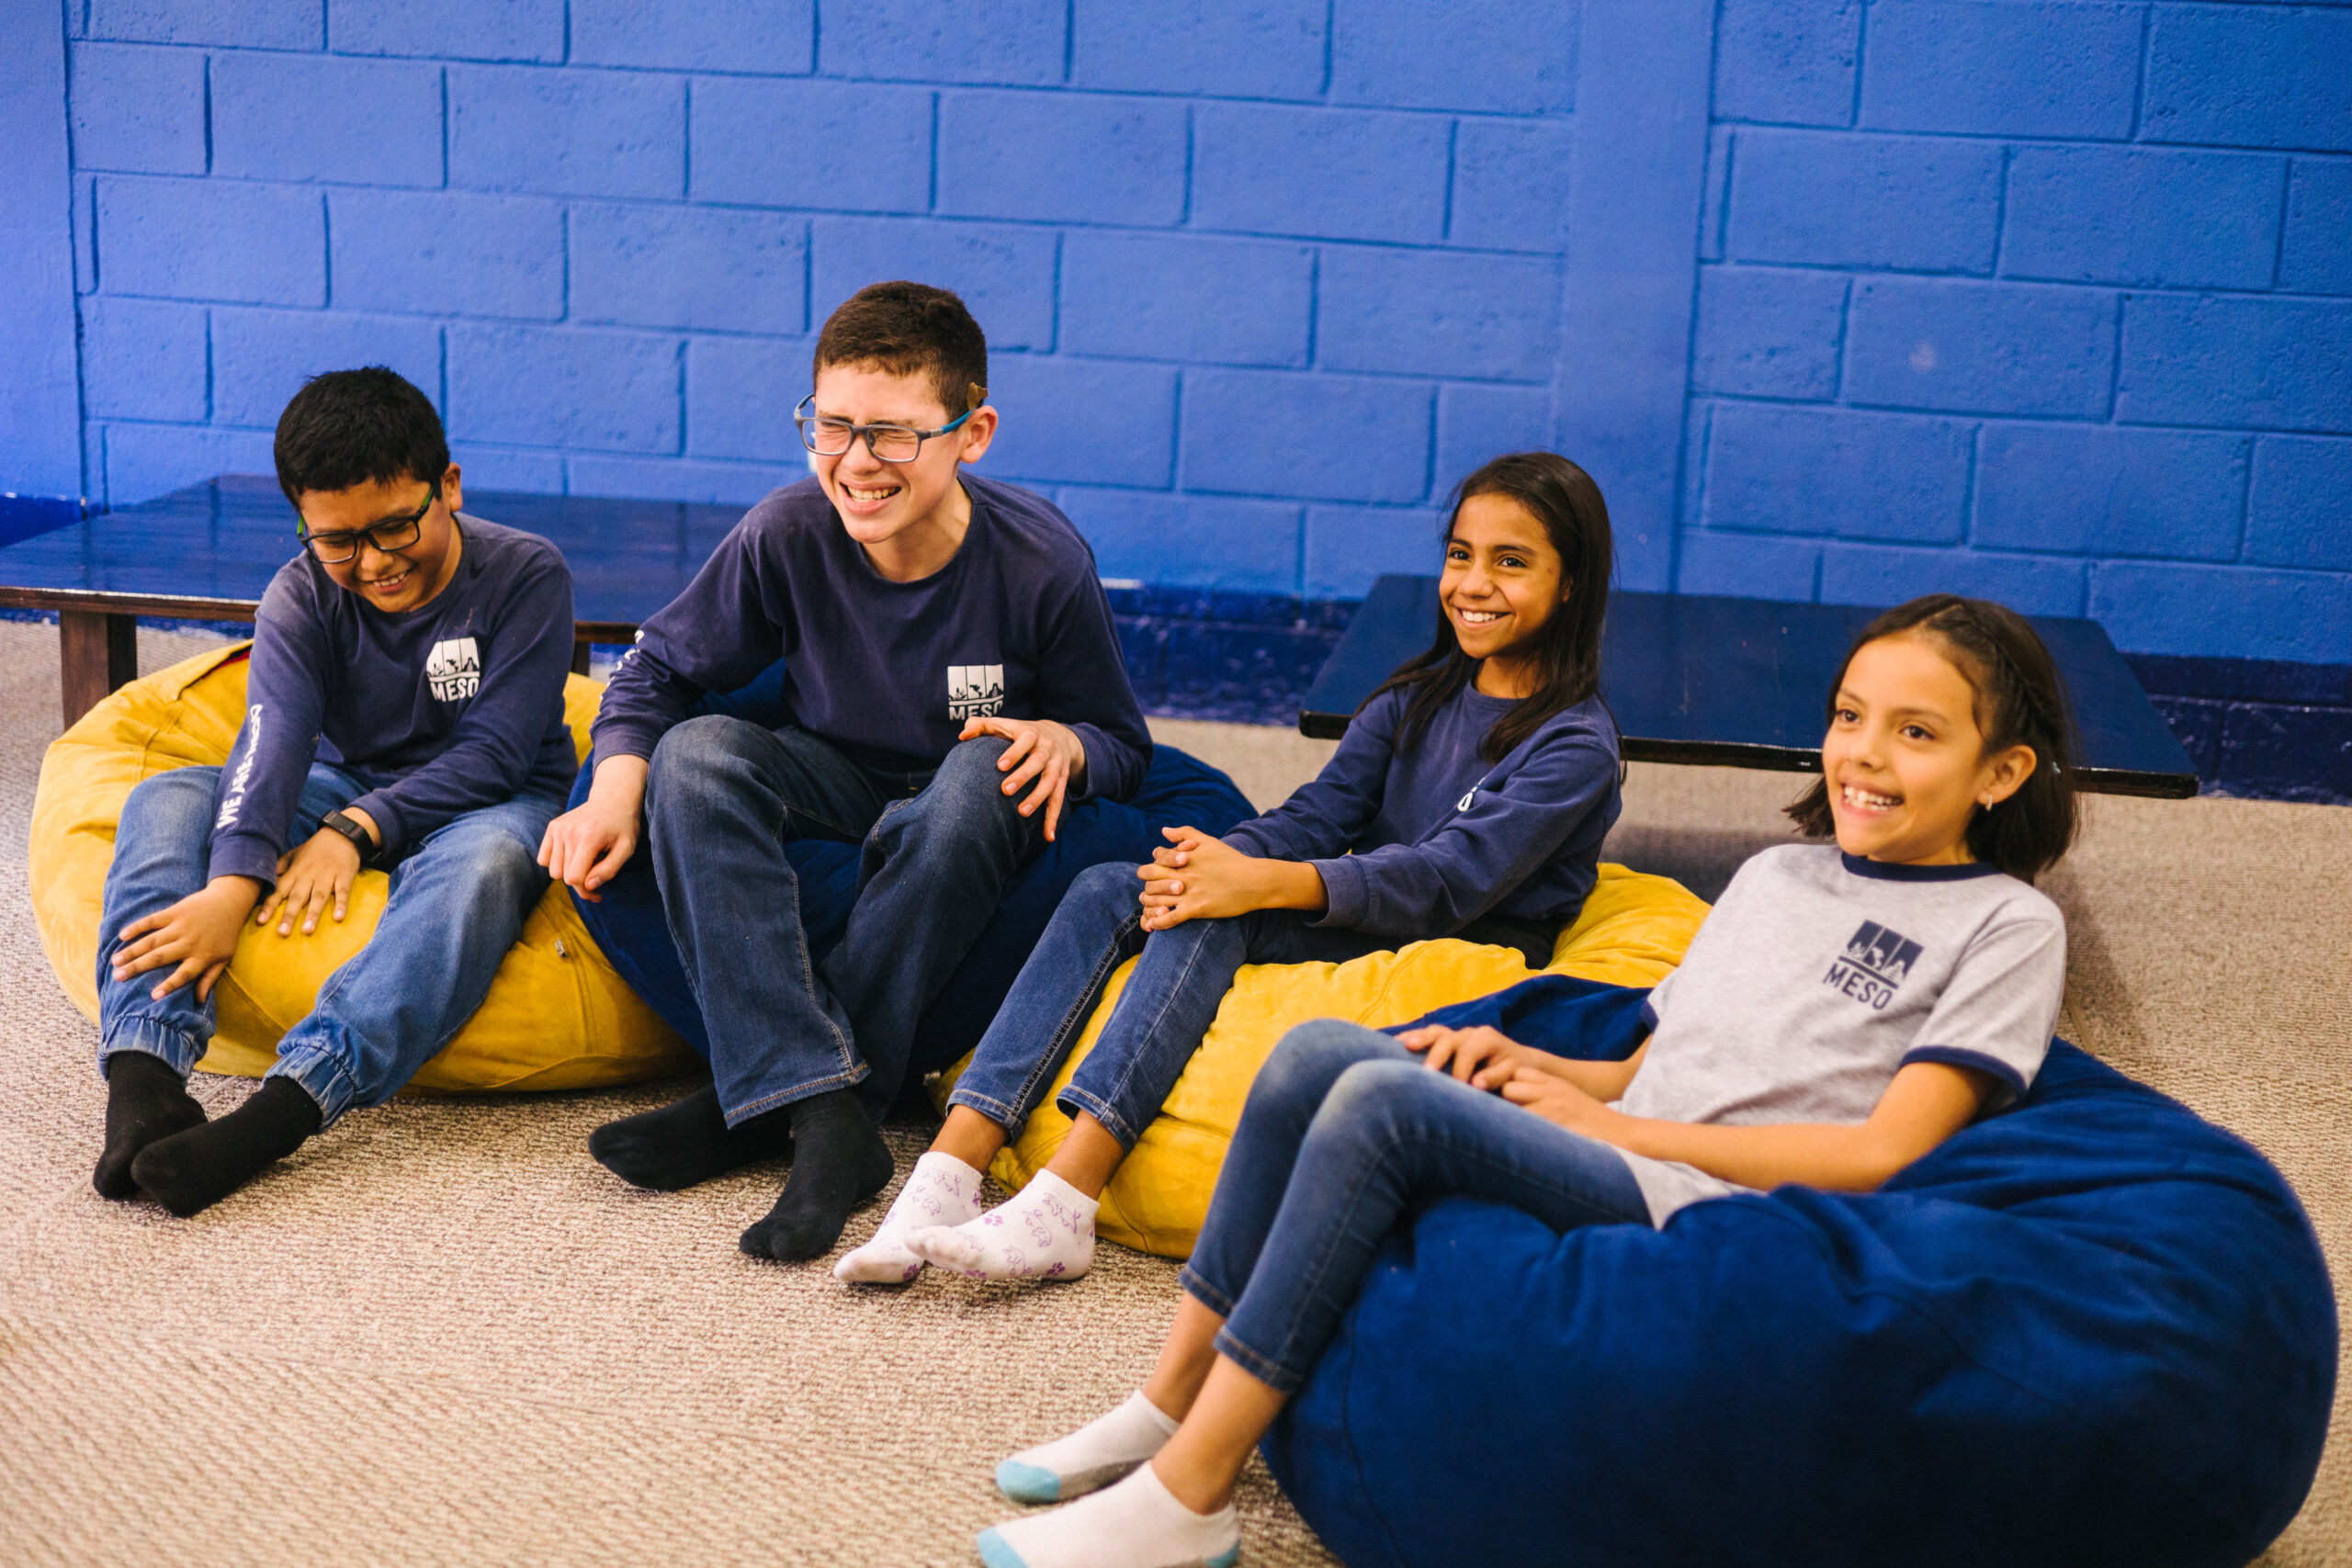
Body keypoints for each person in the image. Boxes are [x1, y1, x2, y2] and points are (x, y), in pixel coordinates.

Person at [969, 592, 2079, 1568]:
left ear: (2002, 771)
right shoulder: (1778, 875)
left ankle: (1190, 1495)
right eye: (1849, 718)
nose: (1865, 756)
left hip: (1730, 1215)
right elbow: (1657, 1064)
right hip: (1623, 1145)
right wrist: (1540, 1068)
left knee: (1384, 1107)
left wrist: (1624, 1138)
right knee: (1317, 1056)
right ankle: (1169, 1400)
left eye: (1916, 733)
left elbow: (1886, 1152)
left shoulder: (2006, 925)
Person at [835, 452, 1623, 1289]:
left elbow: (1446, 880)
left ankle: (1069, 1194)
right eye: (1461, 554)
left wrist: (1248, 888)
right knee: (1116, 883)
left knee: (1213, 913)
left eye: (1511, 562)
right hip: (1371, 901)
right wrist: (1216, 858)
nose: (1472, 582)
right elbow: (1320, 815)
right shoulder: (1415, 696)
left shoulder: (1574, 745)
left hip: (1468, 937)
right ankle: (950, 1171)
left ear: (1571, 583)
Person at [539, 281, 1152, 1263]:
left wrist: (1068, 744)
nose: (857, 463)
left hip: (962, 803)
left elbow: (1126, 748)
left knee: (979, 770)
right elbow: (655, 672)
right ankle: (819, 1106)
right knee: (695, 755)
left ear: (973, 432)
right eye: (831, 428)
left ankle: (787, 1107)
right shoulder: (786, 530)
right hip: (830, 770)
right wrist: (614, 788)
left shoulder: (1040, 562)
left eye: (894, 435)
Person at [91, 367, 580, 1217]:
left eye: (396, 526)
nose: (376, 560)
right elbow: (271, 735)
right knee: (167, 797)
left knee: (487, 867)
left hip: (504, 796)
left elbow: (498, 752)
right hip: (347, 777)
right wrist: (231, 882)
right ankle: (144, 1079)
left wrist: (356, 830)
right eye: (339, 540)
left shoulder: (526, 573)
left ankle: (284, 1112)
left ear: (448, 486)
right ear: (306, 526)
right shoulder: (303, 591)